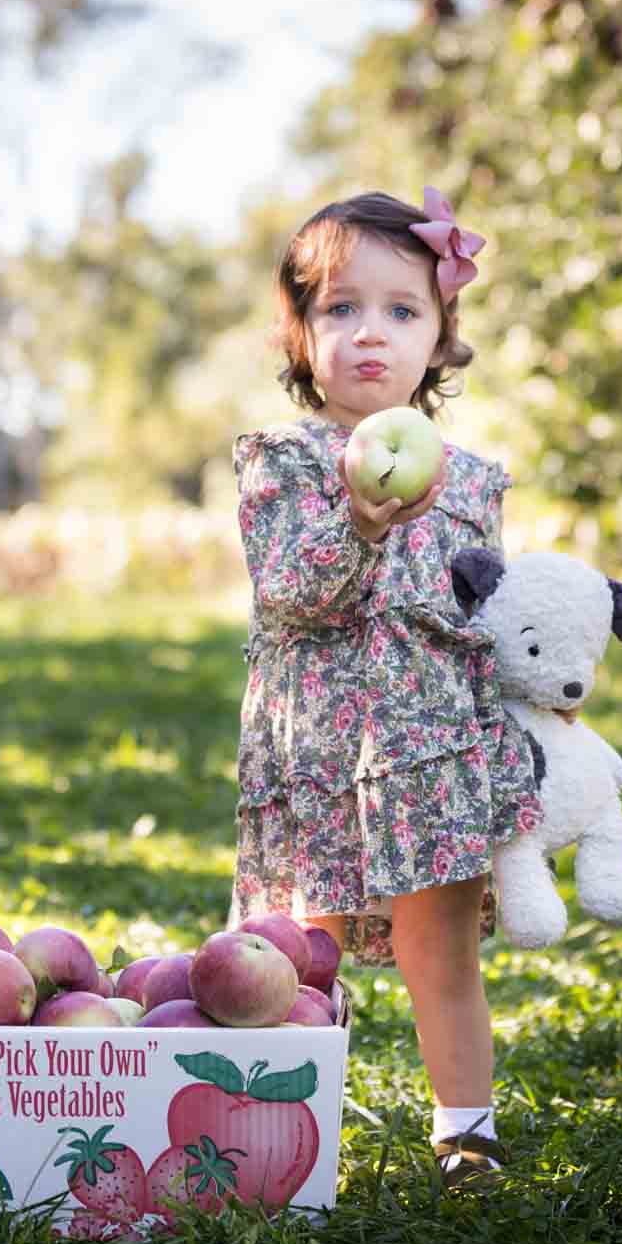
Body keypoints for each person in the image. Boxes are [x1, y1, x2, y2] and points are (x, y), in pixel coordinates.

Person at [230, 187, 542, 1187]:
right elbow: (290, 590)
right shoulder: (283, 462)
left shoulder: (473, 478)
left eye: (402, 310)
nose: (371, 333)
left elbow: (482, 613)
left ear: (441, 335)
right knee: (293, 958)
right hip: (318, 757)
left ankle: (465, 1134)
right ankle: (273, 1133)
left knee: (440, 953)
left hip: (431, 757)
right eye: (339, 309)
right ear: (300, 332)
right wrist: (359, 523)